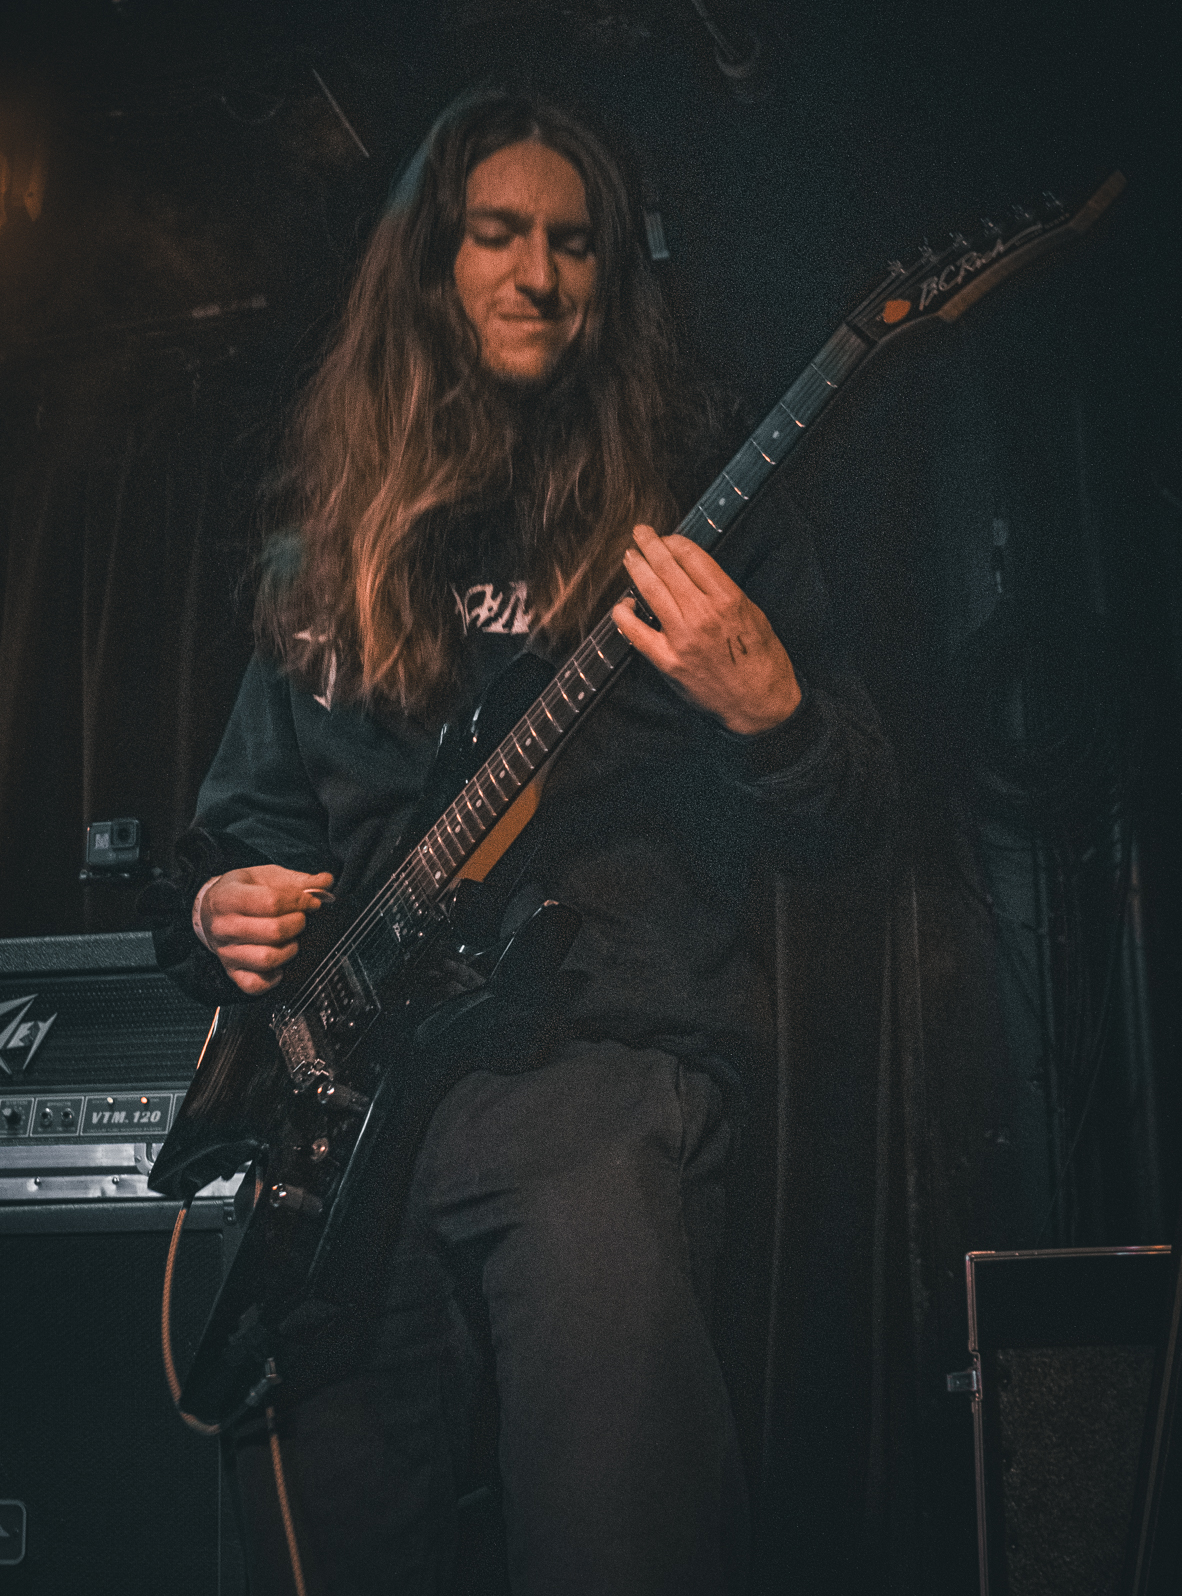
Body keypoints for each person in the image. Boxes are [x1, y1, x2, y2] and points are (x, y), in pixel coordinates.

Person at [149, 91, 895, 1595]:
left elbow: (856, 820)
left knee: (619, 1537)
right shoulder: (329, 554)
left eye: (573, 243)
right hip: (347, 1126)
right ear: (433, 262)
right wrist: (223, 901)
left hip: (593, 1071)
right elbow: (242, 827)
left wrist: (775, 712)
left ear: (615, 275)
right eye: (497, 234)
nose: (536, 275)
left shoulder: (695, 512)